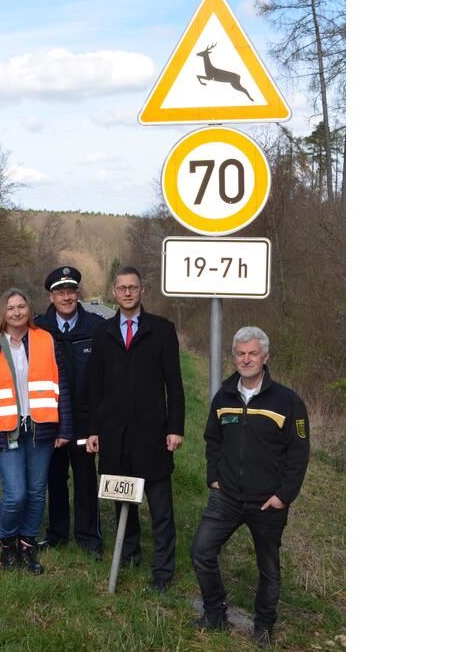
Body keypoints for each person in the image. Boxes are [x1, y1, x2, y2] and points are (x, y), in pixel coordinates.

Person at [189, 326, 310, 647]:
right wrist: (213, 476)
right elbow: (212, 439)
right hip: (226, 496)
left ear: (265, 357)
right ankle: (215, 614)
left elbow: (299, 453)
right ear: (234, 357)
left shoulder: (288, 401)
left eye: (253, 353)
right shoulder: (224, 396)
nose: (246, 359)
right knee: (201, 551)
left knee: (268, 567)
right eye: (241, 354)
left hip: (267, 502)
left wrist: (283, 496)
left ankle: (264, 625)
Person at [85, 266, 184, 594]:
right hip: (114, 436)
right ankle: (129, 556)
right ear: (114, 292)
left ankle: (163, 571)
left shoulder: (162, 330)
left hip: (152, 435)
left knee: (160, 508)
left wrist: (176, 427)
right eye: (122, 288)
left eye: (133, 287)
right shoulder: (103, 333)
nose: (127, 293)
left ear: (142, 290)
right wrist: (93, 430)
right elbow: (94, 386)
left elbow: (175, 384)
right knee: (122, 502)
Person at [0, 288, 72, 574]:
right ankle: (7, 544)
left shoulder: (45, 340)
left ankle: (27, 545)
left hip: (41, 429)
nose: (16, 312)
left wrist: (65, 427)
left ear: (29, 309)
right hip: (6, 433)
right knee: (16, 493)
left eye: (21, 306)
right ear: (2, 312)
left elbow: (60, 385)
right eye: (10, 307)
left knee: (37, 491)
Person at [32, 266, 103, 559]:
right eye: (60, 292)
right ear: (51, 296)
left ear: (78, 294)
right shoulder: (38, 329)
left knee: (86, 480)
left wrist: (100, 423)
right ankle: (58, 534)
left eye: (71, 291)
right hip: (51, 419)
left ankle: (88, 537)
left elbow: (105, 378)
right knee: (55, 479)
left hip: (86, 420)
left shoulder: (96, 327)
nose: (66, 297)